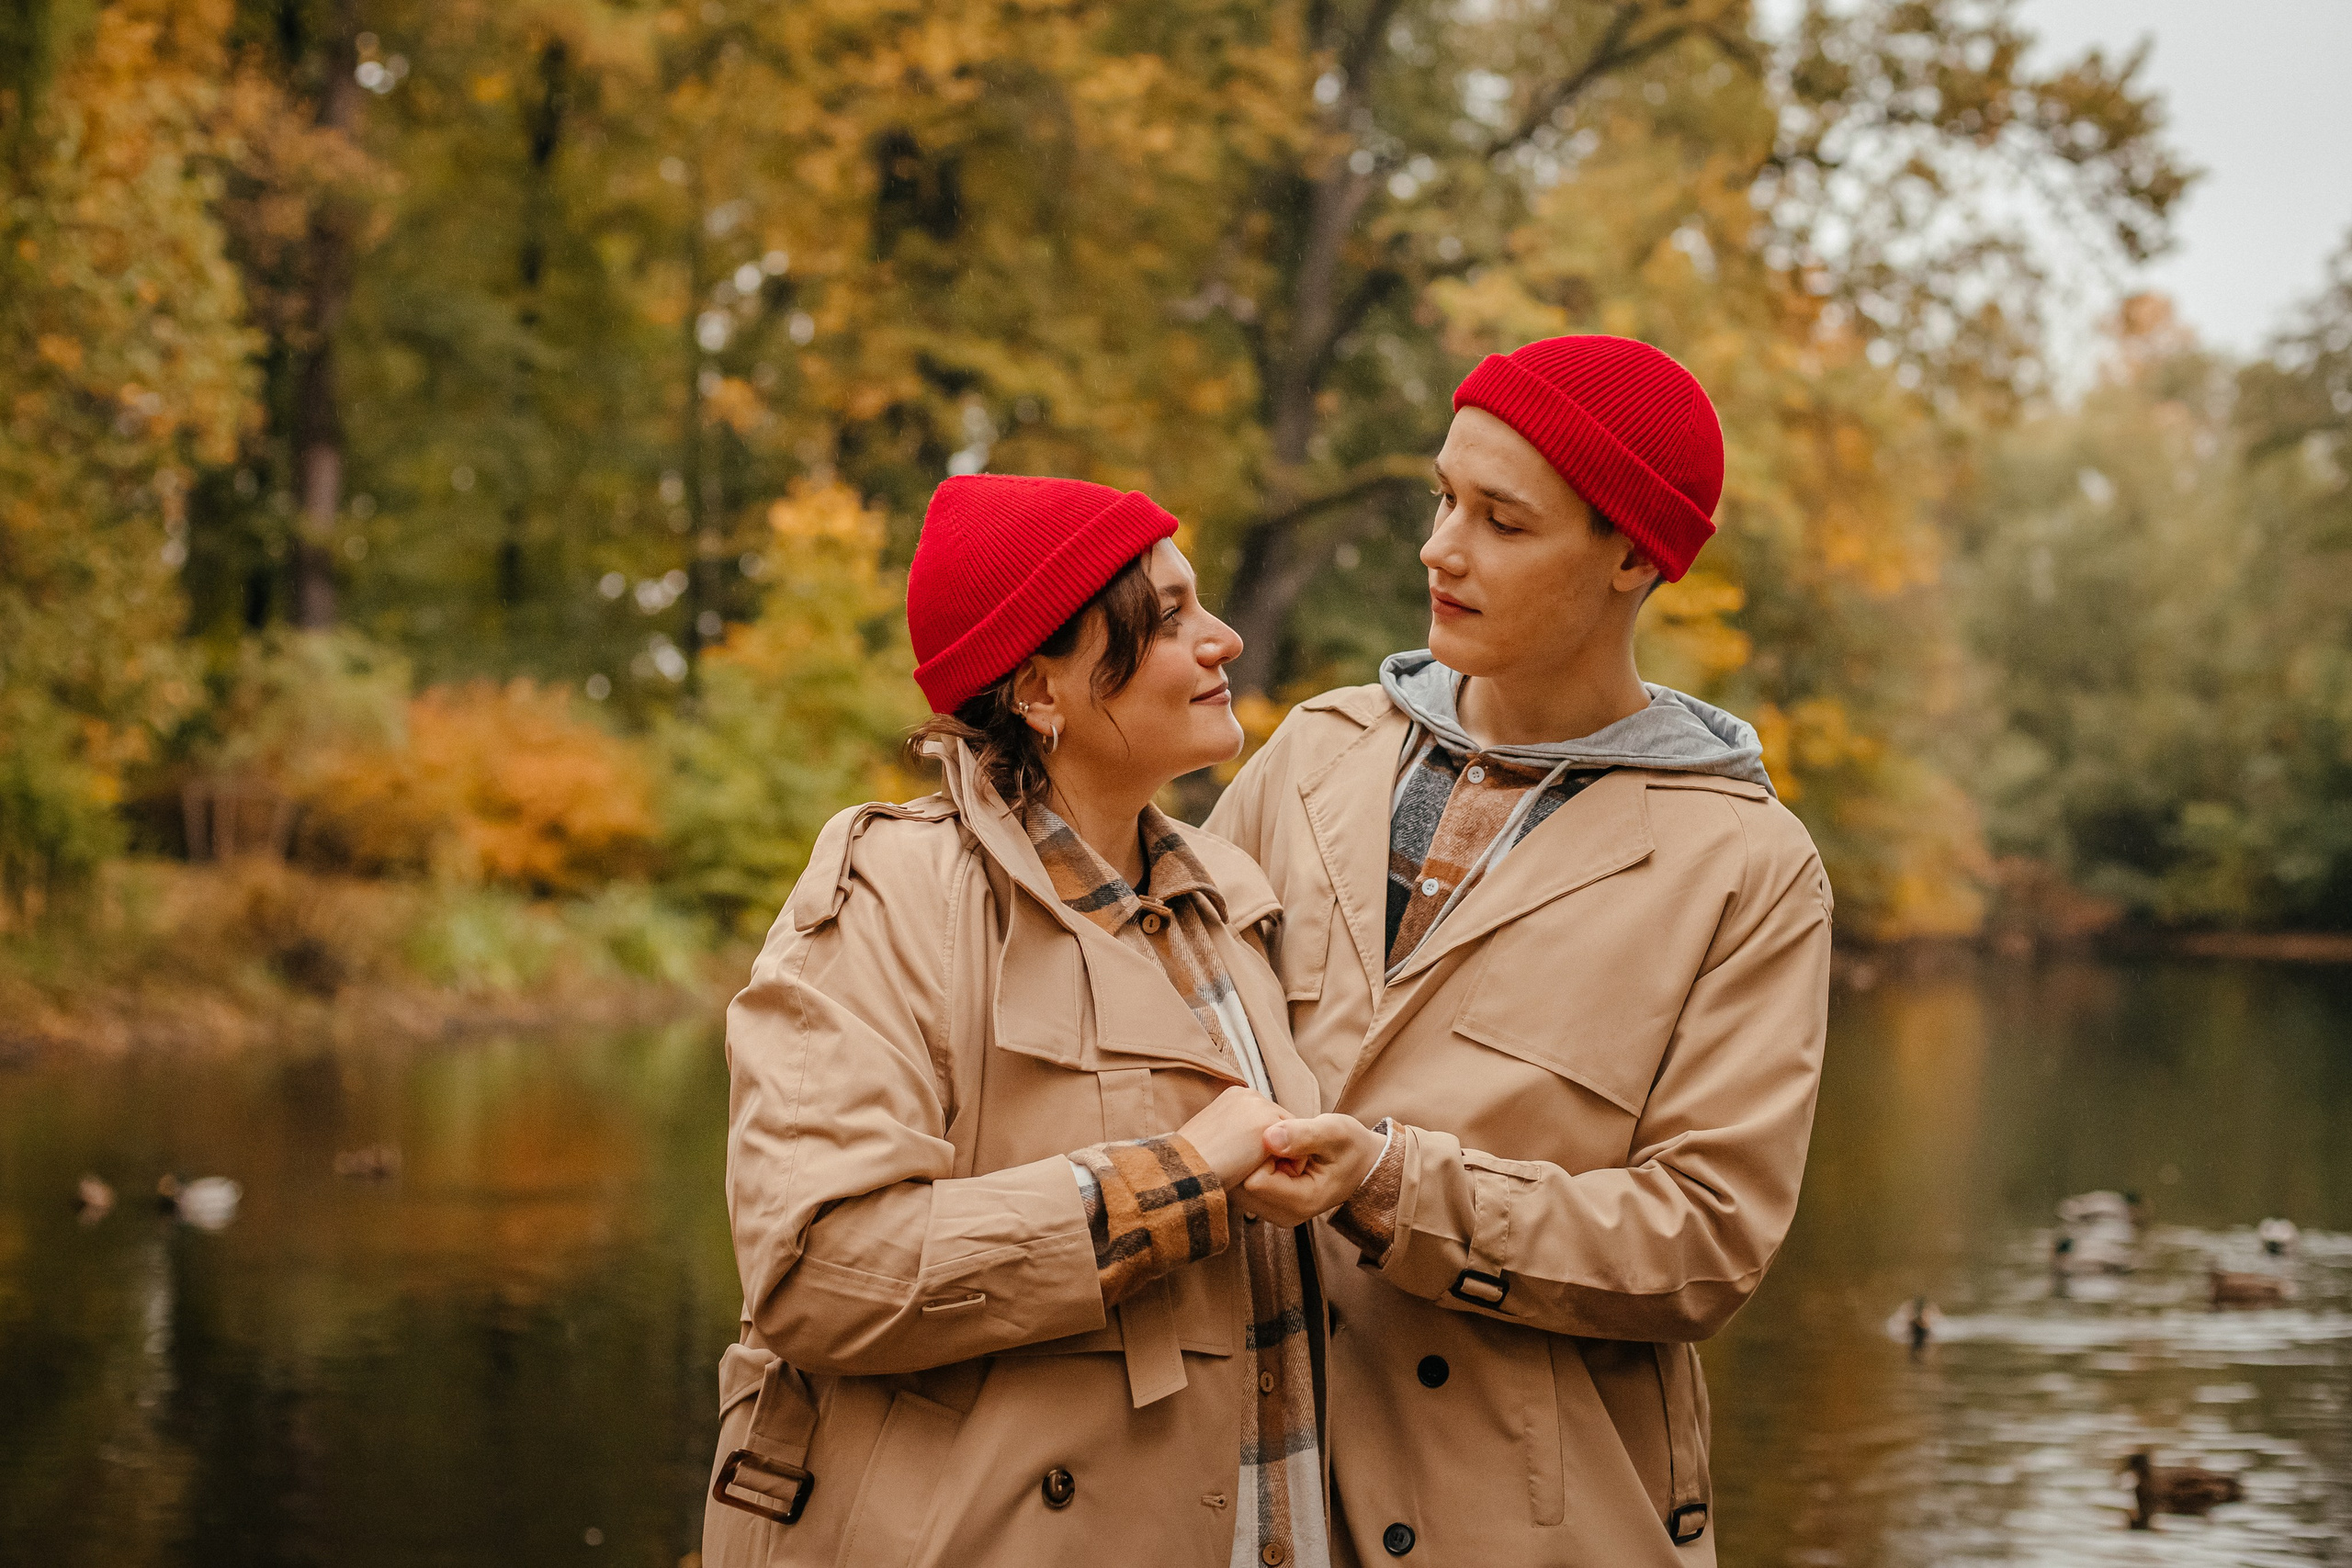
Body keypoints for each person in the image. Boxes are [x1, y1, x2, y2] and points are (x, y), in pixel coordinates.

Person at [1208, 336, 1833, 1565]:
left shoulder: (1749, 867)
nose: (1442, 547)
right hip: (1236, 1492)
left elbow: (1704, 1243)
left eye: (1501, 520)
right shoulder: (1310, 753)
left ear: (1633, 555)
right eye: (1444, 497)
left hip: (1524, 1523)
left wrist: (1392, 1183)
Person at [703, 474, 1330, 1568]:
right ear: (1040, 690)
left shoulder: (1227, 896)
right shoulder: (896, 893)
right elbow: (820, 1275)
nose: (1221, 639)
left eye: (1204, 605)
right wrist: (1174, 1180)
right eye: (1169, 617)